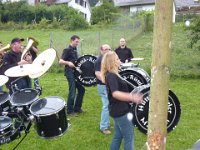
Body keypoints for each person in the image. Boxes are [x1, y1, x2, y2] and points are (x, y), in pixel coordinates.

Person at [101, 51, 143, 150]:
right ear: (112, 62)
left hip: (117, 110)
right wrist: (132, 97)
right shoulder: (112, 76)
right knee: (129, 138)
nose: (119, 60)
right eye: (117, 59)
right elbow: (115, 93)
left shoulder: (114, 74)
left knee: (118, 136)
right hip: (121, 112)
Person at [59, 35, 85, 116]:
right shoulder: (67, 50)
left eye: (78, 42)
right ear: (72, 41)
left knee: (81, 89)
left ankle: (77, 108)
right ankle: (70, 110)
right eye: (76, 41)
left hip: (75, 73)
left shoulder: (75, 50)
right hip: (69, 72)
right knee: (72, 90)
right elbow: (60, 61)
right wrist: (68, 63)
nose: (77, 43)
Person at [94, 44, 111, 135]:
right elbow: (97, 73)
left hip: (107, 85)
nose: (107, 51)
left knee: (108, 105)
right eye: (105, 49)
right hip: (102, 85)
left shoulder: (107, 59)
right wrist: (106, 81)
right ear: (101, 50)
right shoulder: (99, 60)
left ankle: (107, 123)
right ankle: (103, 127)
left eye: (109, 49)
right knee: (106, 105)